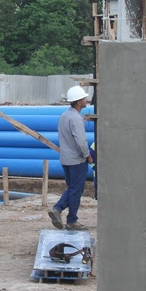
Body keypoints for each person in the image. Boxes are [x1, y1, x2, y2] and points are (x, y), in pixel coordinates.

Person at [48, 85, 93, 231]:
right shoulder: (76, 119)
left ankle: (59, 210)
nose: (86, 100)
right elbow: (81, 141)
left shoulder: (64, 116)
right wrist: (87, 155)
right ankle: (69, 218)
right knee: (76, 190)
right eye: (84, 98)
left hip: (65, 159)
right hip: (77, 160)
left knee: (72, 188)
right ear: (79, 102)